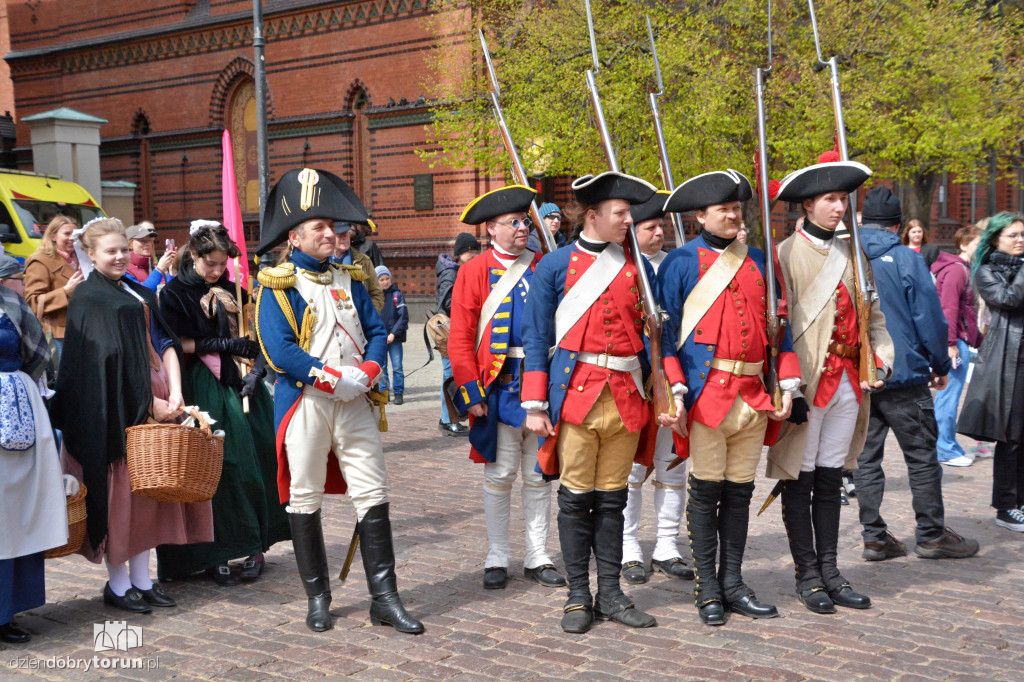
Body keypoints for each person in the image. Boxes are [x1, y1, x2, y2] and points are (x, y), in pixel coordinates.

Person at [253, 168, 423, 634]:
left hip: (356, 401)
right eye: (319, 228)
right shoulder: (277, 285)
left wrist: (368, 372)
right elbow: (278, 349)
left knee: (374, 493)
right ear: (294, 237)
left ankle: (384, 599)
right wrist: (331, 379)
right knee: (305, 498)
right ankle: (318, 597)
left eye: (333, 226)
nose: (332, 234)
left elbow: (375, 331)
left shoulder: (350, 277)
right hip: (307, 402)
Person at [521, 171, 681, 633]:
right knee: (574, 501)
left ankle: (609, 593)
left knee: (612, 500)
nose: (628, 220)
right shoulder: (554, 267)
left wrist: (670, 386)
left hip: (627, 396)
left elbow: (659, 340)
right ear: (592, 216)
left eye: (629, 213)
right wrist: (535, 402)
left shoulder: (639, 268)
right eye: (621, 213)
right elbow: (536, 338)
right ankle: (577, 596)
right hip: (575, 396)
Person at [660, 170, 800, 625]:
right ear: (701, 215)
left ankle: (734, 582)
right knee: (705, 494)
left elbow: (782, 328)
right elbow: (665, 339)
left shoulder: (758, 259)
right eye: (723, 209)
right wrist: (676, 391)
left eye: (736, 208)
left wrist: (787, 383)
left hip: (754, 393)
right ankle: (707, 588)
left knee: (739, 494)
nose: (732, 215)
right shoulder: (681, 263)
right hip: (708, 396)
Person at [53, 217, 213, 614]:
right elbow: (99, 367)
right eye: (111, 251)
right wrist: (147, 403)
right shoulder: (90, 298)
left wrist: (175, 391)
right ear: (90, 255)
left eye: (124, 248)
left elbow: (165, 341)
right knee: (123, 501)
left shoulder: (138, 290)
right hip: (120, 411)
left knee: (152, 498)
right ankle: (119, 584)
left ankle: (144, 579)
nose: (121, 256)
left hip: (158, 399)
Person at [767, 156, 894, 615]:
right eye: (830, 200)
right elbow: (778, 329)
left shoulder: (854, 252)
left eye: (842, 199)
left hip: (848, 383)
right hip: (806, 382)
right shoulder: (783, 254)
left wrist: (881, 358)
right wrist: (788, 386)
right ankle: (807, 575)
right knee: (799, 481)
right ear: (807, 205)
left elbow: (873, 318)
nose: (839, 207)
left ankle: (831, 570)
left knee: (830, 479)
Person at [155, 221, 290, 586]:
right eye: (210, 264)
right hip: (202, 385)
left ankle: (255, 544)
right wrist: (222, 346)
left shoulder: (236, 290)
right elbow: (170, 344)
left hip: (244, 386)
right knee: (218, 467)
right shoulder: (175, 294)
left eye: (222, 265)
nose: (217, 271)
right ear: (194, 256)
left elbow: (261, 335)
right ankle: (214, 552)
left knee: (259, 458)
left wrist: (257, 370)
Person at [448, 185, 566, 592]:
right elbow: (461, 338)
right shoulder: (474, 271)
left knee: (538, 475)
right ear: (492, 229)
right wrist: (471, 394)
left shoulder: (545, 265)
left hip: (542, 383)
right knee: (499, 476)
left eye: (524, 221)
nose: (522, 228)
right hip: (497, 388)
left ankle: (538, 554)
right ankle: (497, 554)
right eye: (513, 223)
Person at [853, 186, 980, 561]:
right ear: (896, 224)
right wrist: (939, 364)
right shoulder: (906, 260)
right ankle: (930, 533)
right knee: (922, 458)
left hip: (861, 372)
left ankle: (874, 537)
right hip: (905, 374)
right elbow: (930, 318)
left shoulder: (844, 255)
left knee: (866, 460)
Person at [619, 191, 696, 588]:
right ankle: (628, 547)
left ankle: (667, 545)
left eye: (660, 226)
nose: (658, 233)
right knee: (632, 469)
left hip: (672, 377)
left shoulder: (676, 265)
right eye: (650, 226)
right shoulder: (623, 269)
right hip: (634, 380)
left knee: (672, 465)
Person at [0, 249, 68, 644]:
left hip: (13, 420)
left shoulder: (9, 300)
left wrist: (12, 391)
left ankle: (5, 612)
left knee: (10, 515)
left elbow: (39, 352)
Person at [958, 212, 1024, 532]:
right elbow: (1007, 299)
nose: (1021, 240)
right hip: (1007, 363)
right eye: (1013, 235)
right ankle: (1006, 506)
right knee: (1010, 438)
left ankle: (1021, 502)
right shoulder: (986, 271)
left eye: (1023, 235)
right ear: (996, 238)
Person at [932, 224, 983, 466]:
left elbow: (966, 313)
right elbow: (949, 310)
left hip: (960, 341)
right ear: (963, 245)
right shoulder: (956, 271)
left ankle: (946, 445)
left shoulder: (963, 269)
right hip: (954, 343)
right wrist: (951, 344)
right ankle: (945, 449)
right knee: (948, 398)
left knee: (948, 397)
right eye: (977, 244)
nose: (981, 249)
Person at [436, 232, 480, 436]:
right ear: (460, 254)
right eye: (470, 251)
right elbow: (446, 303)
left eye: (476, 251)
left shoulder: (465, 270)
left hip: (458, 330)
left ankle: (449, 417)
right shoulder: (450, 273)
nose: (474, 254)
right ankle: (447, 419)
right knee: (450, 375)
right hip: (449, 332)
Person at [23, 215, 83, 360]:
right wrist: (65, 292)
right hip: (58, 335)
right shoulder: (41, 261)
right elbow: (32, 301)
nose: (72, 238)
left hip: (86, 331)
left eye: (75, 234)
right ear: (53, 236)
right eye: (66, 234)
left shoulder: (84, 259)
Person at [332, 222, 384, 312]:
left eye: (346, 234)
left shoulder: (364, 261)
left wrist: (367, 315)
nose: (344, 238)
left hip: (358, 321)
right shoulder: (321, 261)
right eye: (340, 235)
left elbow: (377, 294)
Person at [376, 265, 408, 405]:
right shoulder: (375, 297)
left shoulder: (397, 295)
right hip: (380, 338)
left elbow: (403, 317)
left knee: (397, 367)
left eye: (387, 278)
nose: (385, 282)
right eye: (381, 279)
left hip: (394, 338)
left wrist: (394, 333)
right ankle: (384, 391)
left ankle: (399, 392)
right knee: (382, 367)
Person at [125, 222, 175, 293]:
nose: (148, 244)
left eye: (150, 240)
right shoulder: (125, 269)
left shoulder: (153, 266)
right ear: (130, 244)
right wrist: (159, 269)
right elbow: (143, 294)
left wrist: (173, 271)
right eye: (143, 241)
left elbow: (169, 295)